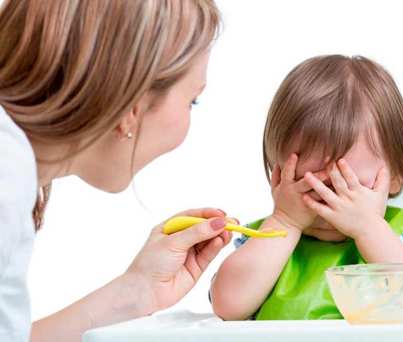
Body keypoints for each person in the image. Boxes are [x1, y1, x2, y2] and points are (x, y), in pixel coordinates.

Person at [0, 1, 233, 341]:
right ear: (132, 106)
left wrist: (137, 292)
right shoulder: (7, 173)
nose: (188, 124)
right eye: (191, 101)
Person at [210, 55, 403, 320]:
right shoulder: (264, 239)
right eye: (309, 186)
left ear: (394, 175)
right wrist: (286, 222)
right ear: (277, 174)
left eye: (346, 188)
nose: (328, 206)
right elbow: (228, 306)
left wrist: (368, 228)